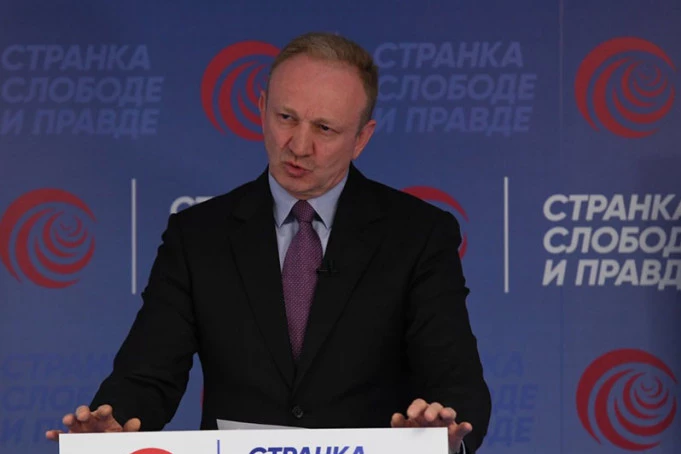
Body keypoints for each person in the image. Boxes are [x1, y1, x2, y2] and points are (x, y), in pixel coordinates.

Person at [46, 32, 491, 453]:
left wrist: (441, 434)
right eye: (286, 118)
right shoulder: (198, 236)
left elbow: (456, 384)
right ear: (261, 108)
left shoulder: (418, 235)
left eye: (325, 128)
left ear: (361, 138)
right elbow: (146, 377)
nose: (299, 145)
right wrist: (110, 429)